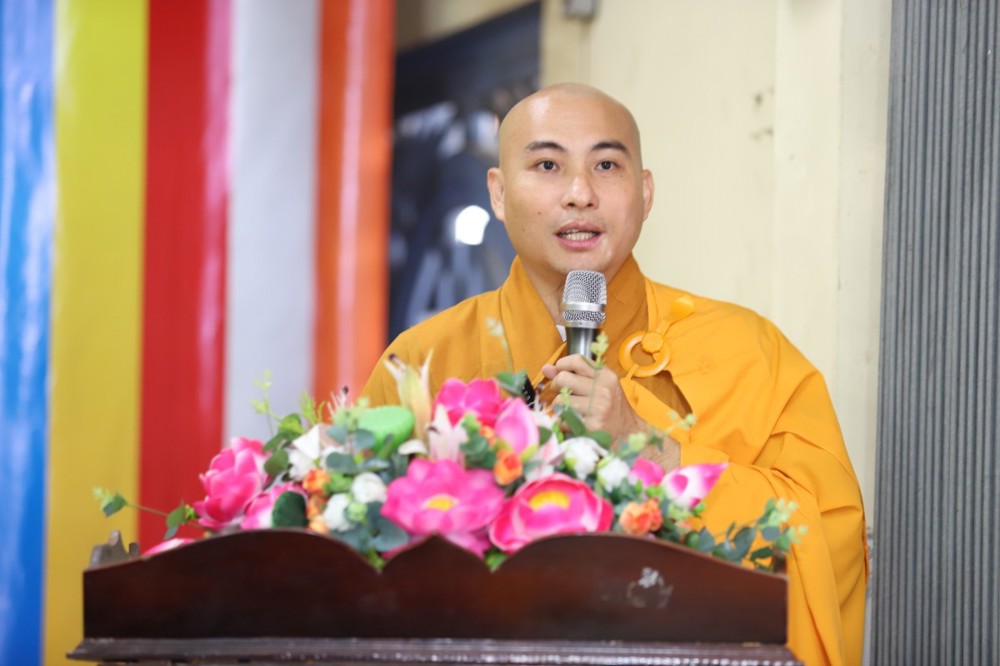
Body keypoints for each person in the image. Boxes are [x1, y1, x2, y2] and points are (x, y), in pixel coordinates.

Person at [361, 83, 868, 666]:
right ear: (498, 193)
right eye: (548, 166)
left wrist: (653, 449)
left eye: (606, 165)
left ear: (645, 193)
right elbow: (357, 558)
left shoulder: (747, 352)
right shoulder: (423, 362)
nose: (580, 194)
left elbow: (827, 538)